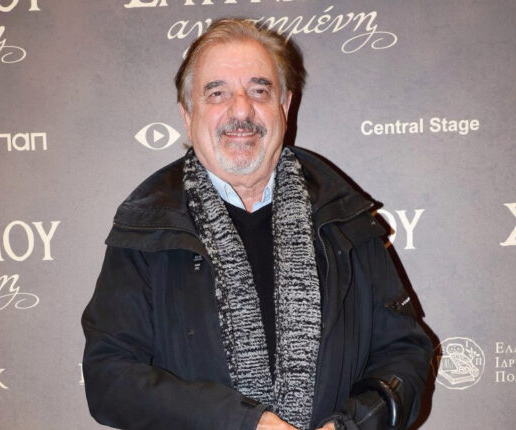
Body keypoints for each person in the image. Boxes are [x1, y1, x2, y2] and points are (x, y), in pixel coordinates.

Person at [82, 18, 433, 430]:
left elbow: (406, 353)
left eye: (259, 90)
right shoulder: (146, 227)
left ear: (284, 106)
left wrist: (353, 425)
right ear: (187, 114)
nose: (241, 110)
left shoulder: (345, 219)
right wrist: (239, 422)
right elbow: (110, 379)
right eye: (217, 93)